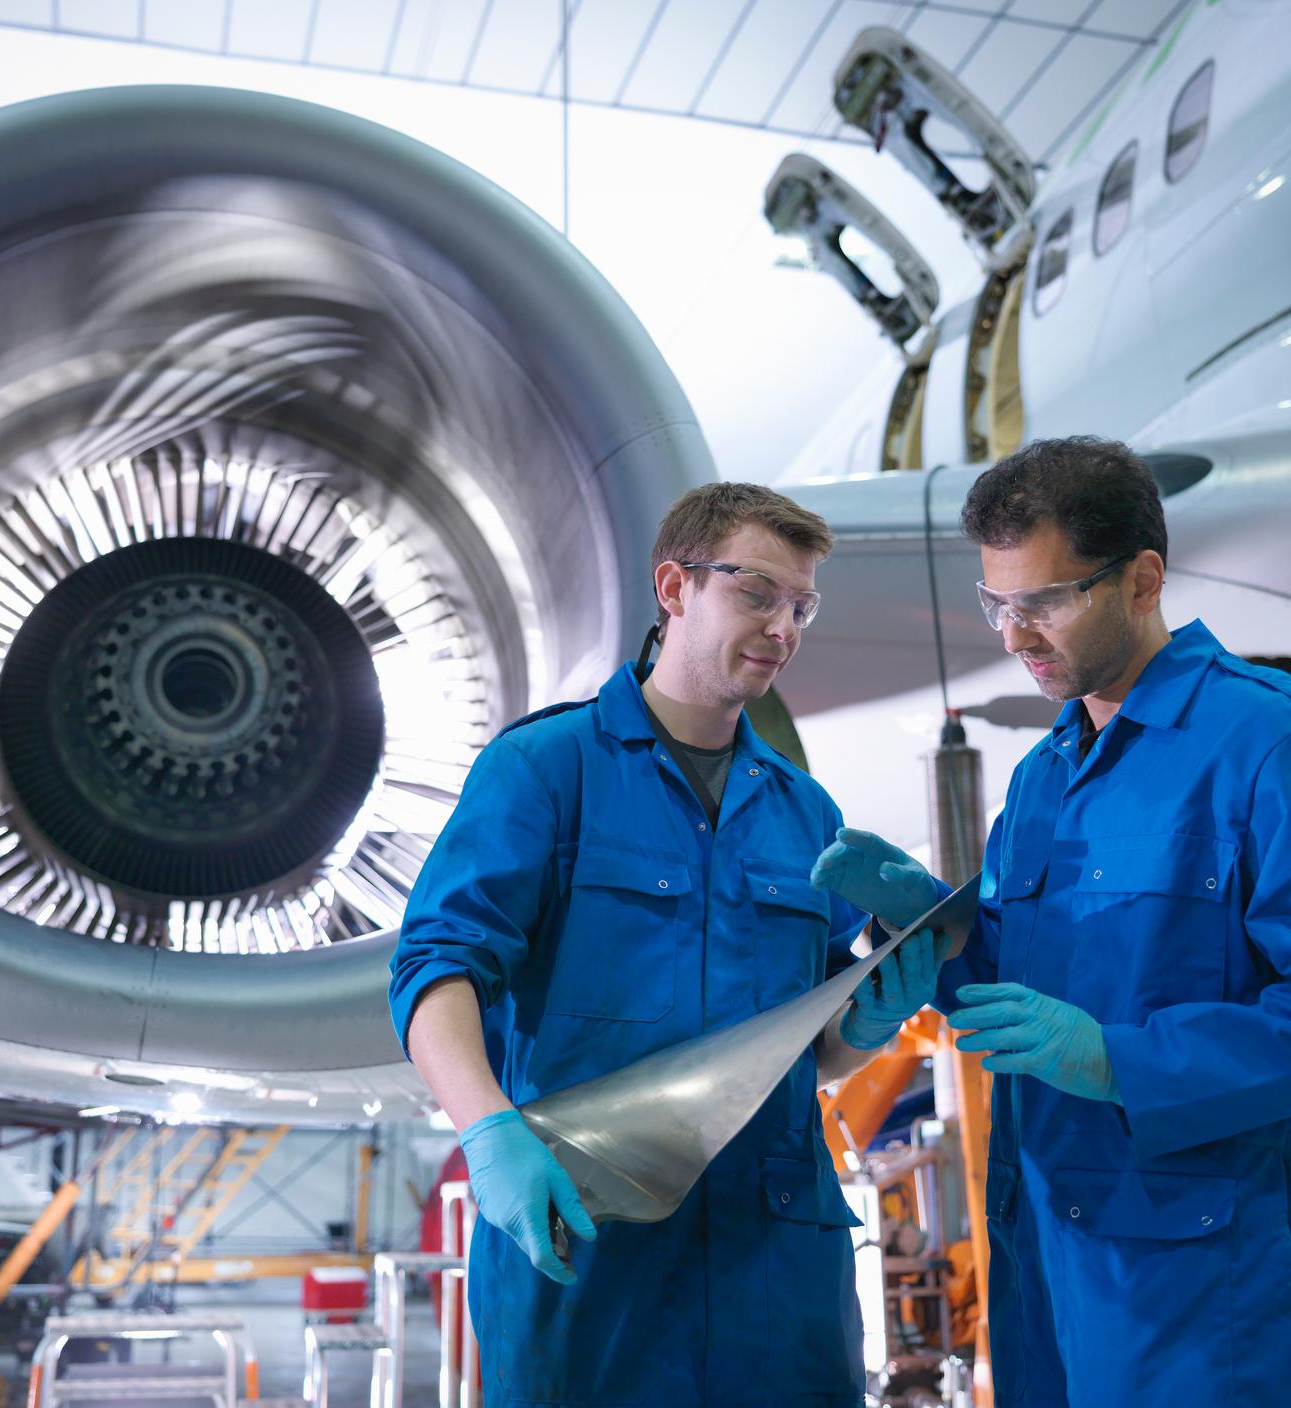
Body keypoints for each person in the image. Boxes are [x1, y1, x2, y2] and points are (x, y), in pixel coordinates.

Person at [389, 482, 945, 1408]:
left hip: (777, 1270)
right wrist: (488, 1132)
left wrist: (873, 1010)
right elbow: (436, 966)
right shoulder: (545, 769)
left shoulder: (806, 812)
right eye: (758, 593)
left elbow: (814, 1056)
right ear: (676, 586)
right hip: (591, 1250)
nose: (784, 627)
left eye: (802, 605)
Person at [811, 437, 1291, 1407]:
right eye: (996, 604)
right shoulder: (1044, 774)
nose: (1012, 635)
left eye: (1042, 601)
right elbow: (1019, 1001)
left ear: (1142, 579)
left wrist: (1120, 1060)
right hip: (1040, 1262)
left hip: (1207, 1295)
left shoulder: (1266, 741)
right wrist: (940, 933)